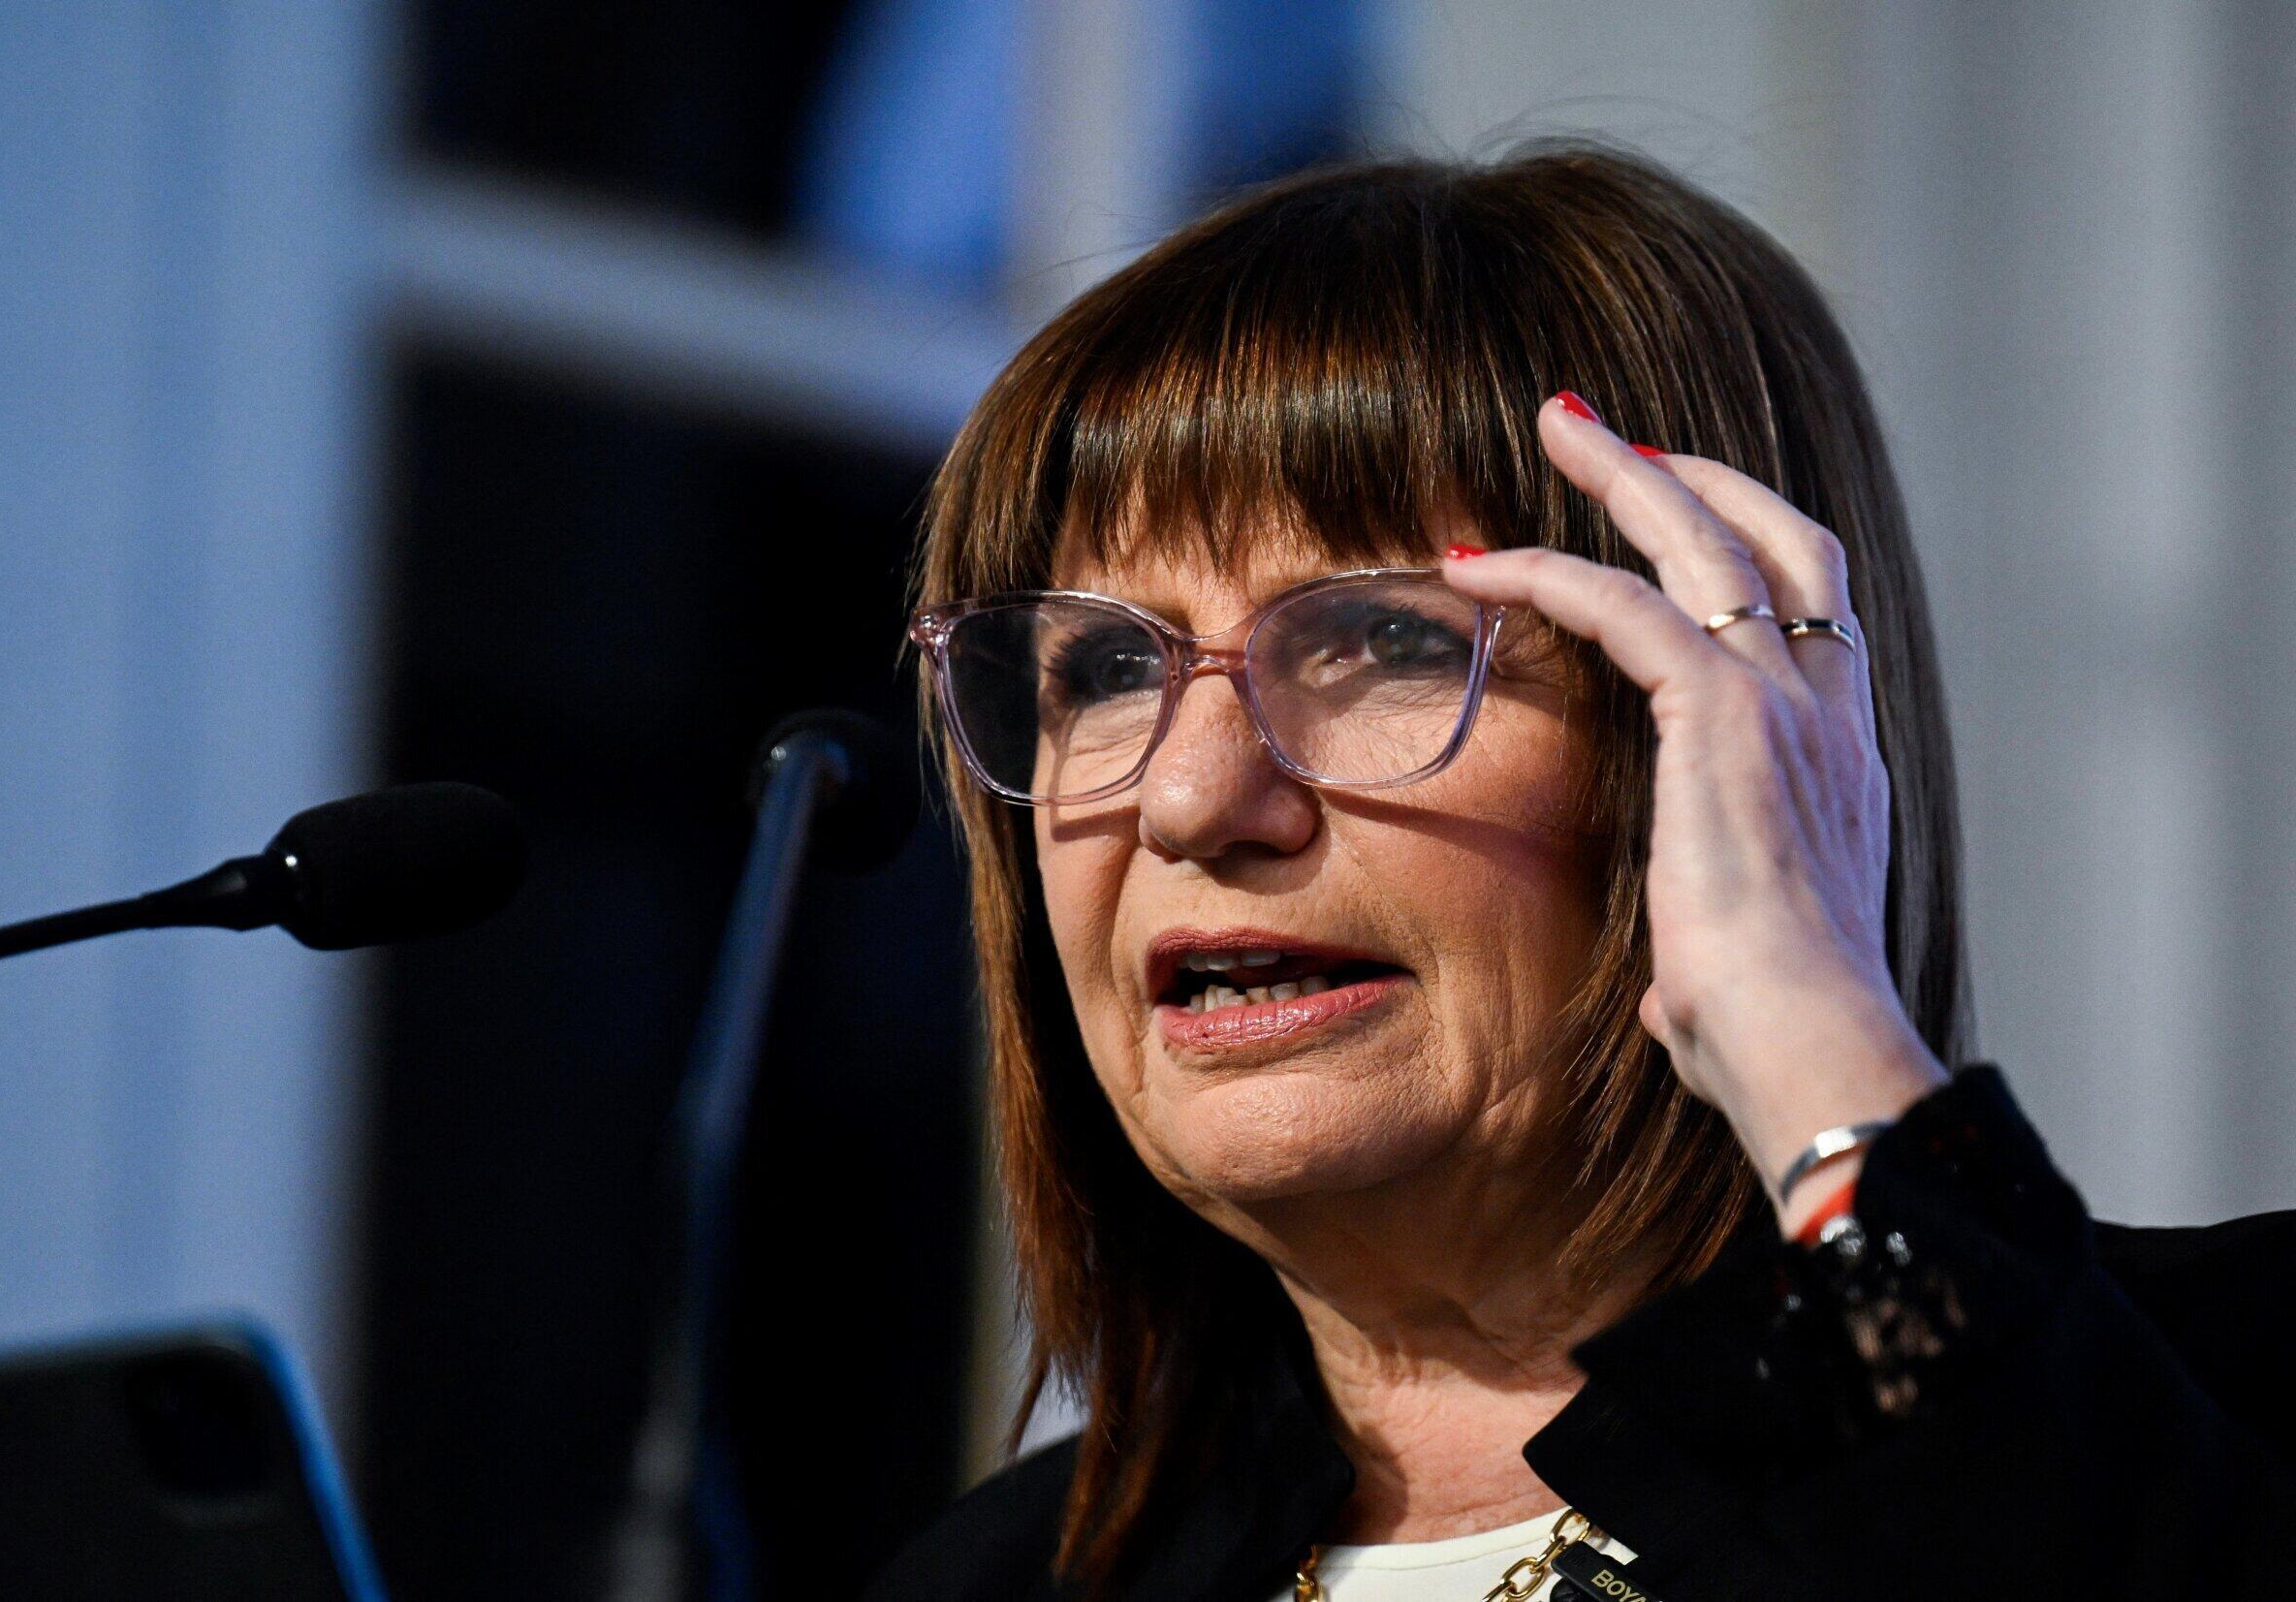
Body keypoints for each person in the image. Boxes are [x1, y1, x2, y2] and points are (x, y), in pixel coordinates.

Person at [865, 142, 2296, 1600]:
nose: (1189, 797)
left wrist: (1815, 1036)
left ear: (1738, 737)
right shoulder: (991, 1584)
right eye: (1107, 669)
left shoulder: (2233, 1402)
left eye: (1388, 639)